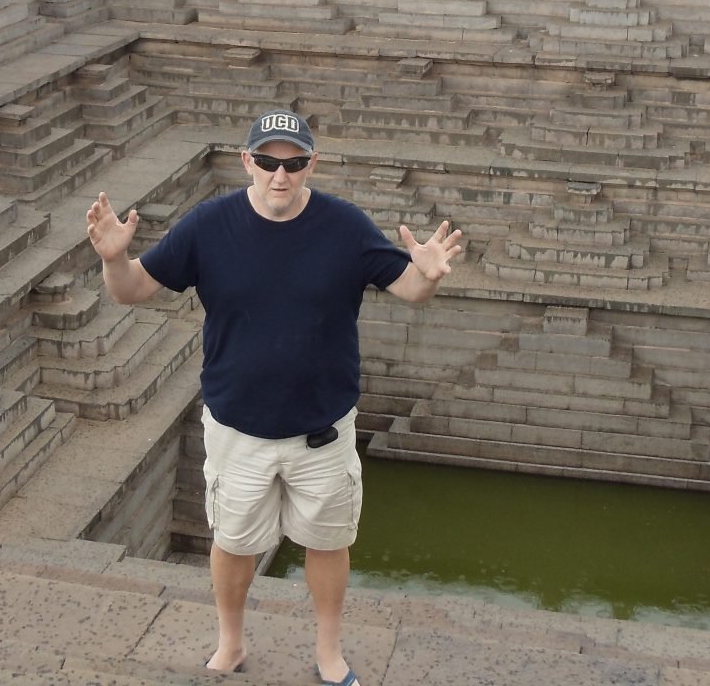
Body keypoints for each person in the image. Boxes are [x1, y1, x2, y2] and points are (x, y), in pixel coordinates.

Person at [86, 109, 464, 686]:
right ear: (247, 162)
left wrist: (430, 275)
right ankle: (231, 644)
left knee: (328, 542)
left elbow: (408, 289)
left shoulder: (345, 225)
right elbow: (133, 290)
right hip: (238, 429)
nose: (279, 175)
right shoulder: (210, 225)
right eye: (267, 162)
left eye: (292, 164)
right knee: (233, 543)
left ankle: (329, 652)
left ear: (311, 165)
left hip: (323, 431)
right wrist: (115, 258)